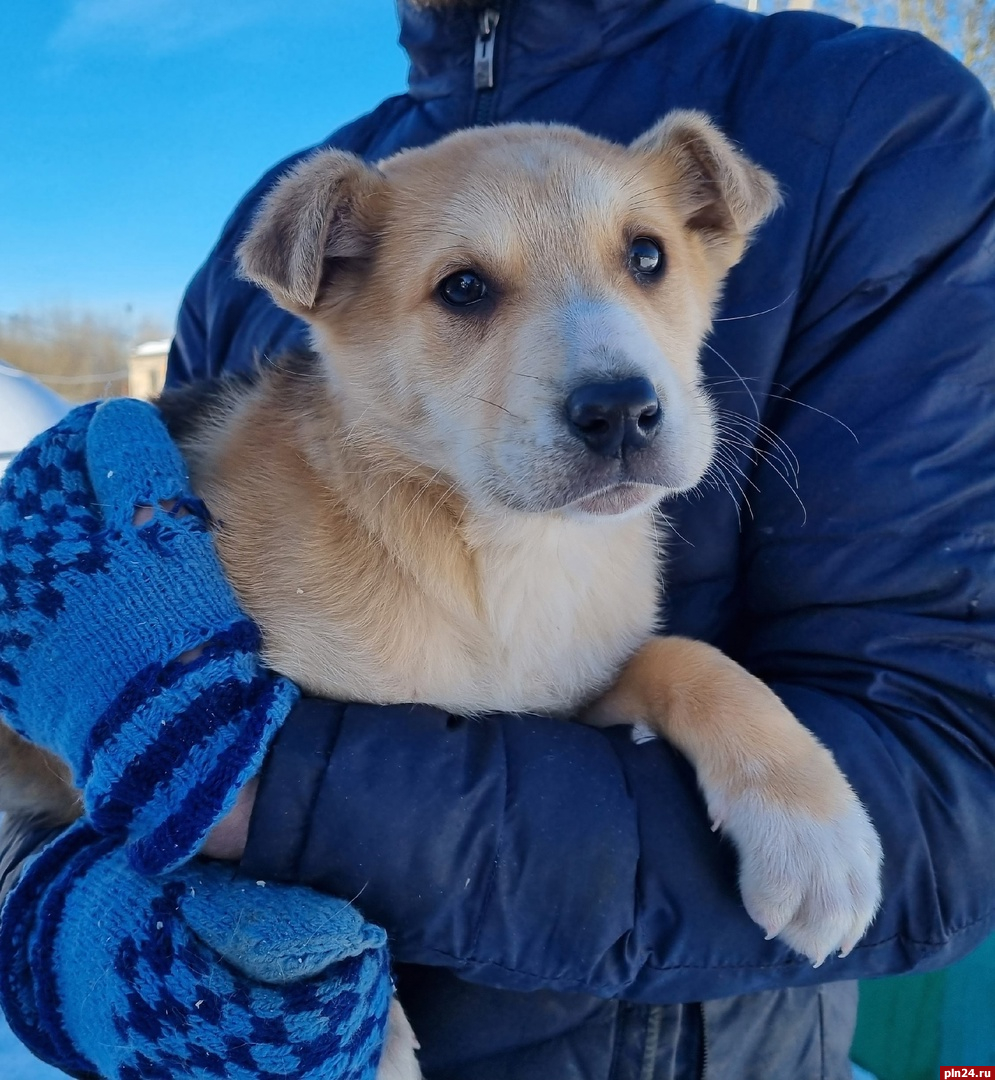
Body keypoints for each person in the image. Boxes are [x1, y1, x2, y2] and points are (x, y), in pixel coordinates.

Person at [2, 0, 995, 1077]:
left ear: (710, 240)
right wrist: (45, 886)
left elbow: (936, 785)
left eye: (643, 259)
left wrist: (264, 800)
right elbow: (85, 717)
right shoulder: (308, 208)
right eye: (467, 289)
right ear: (329, 296)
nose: (605, 372)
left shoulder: (866, 120)